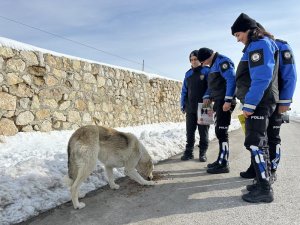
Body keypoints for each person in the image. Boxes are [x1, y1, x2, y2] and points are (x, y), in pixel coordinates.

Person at [240, 23, 297, 182]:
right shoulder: (253, 46)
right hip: (260, 99)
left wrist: (285, 100)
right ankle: (256, 169)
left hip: (275, 100)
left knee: (271, 137)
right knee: (259, 138)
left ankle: (271, 170)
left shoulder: (281, 45)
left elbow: (289, 75)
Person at [231, 13, 279, 203]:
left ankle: (264, 189)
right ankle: (261, 182)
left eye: (238, 34)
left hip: (258, 102)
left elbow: (261, 77)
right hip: (259, 102)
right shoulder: (257, 44)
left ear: (249, 30)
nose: (238, 39)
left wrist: (250, 104)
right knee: (260, 143)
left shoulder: (259, 44)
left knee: (254, 143)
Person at [197, 47, 236, 174]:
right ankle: (220, 160)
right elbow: (212, 85)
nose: (203, 64)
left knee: (222, 132)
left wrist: (228, 100)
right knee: (219, 132)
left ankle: (224, 163)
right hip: (218, 102)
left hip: (225, 102)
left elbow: (231, 79)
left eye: (203, 61)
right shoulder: (213, 65)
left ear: (207, 57)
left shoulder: (222, 61)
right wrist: (207, 96)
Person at [180, 50, 210, 162]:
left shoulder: (207, 71)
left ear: (200, 60)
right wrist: (182, 104)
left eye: (195, 59)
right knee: (190, 131)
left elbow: (211, 86)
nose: (193, 62)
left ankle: (203, 153)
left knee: (204, 132)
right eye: (191, 60)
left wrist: (208, 97)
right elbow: (184, 90)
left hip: (205, 107)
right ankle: (189, 152)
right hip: (190, 107)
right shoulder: (188, 73)